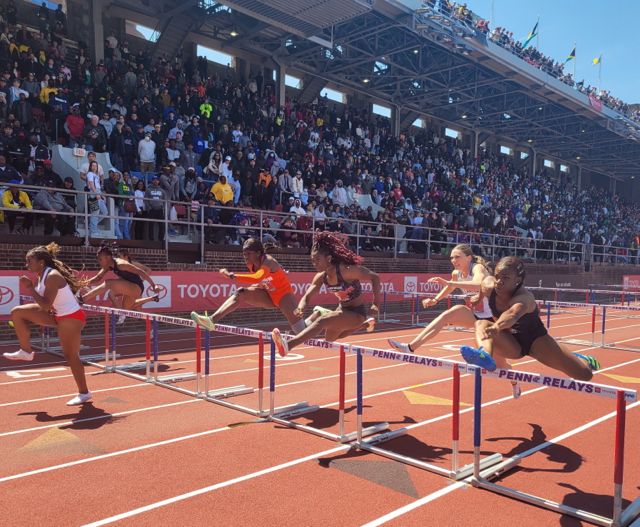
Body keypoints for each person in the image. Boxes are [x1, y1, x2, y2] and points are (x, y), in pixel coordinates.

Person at [459, 256, 600, 385]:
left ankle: (583, 360)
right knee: (480, 323)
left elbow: (512, 314)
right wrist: (478, 297)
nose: (499, 282)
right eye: (498, 276)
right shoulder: (490, 285)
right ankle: (485, 356)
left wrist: (496, 327)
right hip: (512, 343)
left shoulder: (524, 298)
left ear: (518, 281)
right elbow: (484, 285)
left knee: (584, 375)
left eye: (506, 278)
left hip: (536, 341)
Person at [3, 243, 92, 406]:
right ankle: (26, 351)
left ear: (41, 262)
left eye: (29, 261)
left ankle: (84, 393)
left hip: (71, 318)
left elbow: (45, 304)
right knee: (17, 312)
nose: (26, 264)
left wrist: (30, 288)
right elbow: (47, 306)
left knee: (71, 356)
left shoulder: (52, 276)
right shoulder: (41, 275)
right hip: (57, 314)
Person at [272, 231, 380, 357]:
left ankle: (288, 345)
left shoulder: (346, 271)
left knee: (322, 321)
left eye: (317, 260)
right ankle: (366, 324)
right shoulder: (321, 277)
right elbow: (307, 296)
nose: (314, 264)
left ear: (328, 258)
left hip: (357, 313)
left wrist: (375, 304)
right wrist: (301, 307)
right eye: (312, 260)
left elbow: (375, 277)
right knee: (330, 338)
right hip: (342, 310)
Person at [191, 238, 306, 333]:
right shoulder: (251, 264)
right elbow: (260, 281)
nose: (245, 256)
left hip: (284, 296)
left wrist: (233, 276)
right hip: (268, 295)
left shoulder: (269, 262)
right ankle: (211, 320)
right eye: (244, 254)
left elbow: (258, 277)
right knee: (241, 293)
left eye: (248, 253)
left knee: (301, 331)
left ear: (258, 253)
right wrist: (254, 289)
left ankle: (318, 316)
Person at [78, 243, 161, 324]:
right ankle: (151, 299)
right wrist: (81, 284)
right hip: (128, 286)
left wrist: (154, 286)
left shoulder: (121, 264)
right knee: (126, 308)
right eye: (98, 259)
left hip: (136, 287)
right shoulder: (108, 266)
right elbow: (97, 278)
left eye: (100, 259)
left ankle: (83, 299)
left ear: (108, 257)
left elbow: (141, 272)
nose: (99, 262)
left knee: (108, 283)